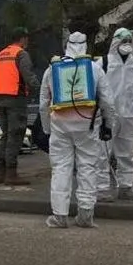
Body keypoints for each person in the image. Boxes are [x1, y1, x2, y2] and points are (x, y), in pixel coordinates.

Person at [39, 32, 117, 228]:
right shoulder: (94, 68)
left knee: (61, 169)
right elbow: (108, 102)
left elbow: (43, 104)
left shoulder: (52, 69)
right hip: (87, 127)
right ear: (85, 46)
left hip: (60, 127)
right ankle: (85, 215)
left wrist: (47, 129)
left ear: (66, 45)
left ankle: (59, 216)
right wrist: (108, 125)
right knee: (88, 167)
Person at [96, 28, 133, 202]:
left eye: (130, 41)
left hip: (130, 114)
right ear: (116, 42)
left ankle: (125, 187)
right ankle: (101, 189)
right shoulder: (103, 62)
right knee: (102, 153)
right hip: (108, 115)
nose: (127, 45)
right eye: (124, 41)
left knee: (127, 153)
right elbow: (94, 87)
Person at [0, 27, 40, 185]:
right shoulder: (21, 54)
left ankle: (1, 173)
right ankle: (11, 175)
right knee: (16, 135)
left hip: (1, 98)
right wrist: (40, 89)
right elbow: (28, 75)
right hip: (16, 99)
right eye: (27, 38)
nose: (28, 41)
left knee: (5, 135)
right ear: (22, 39)